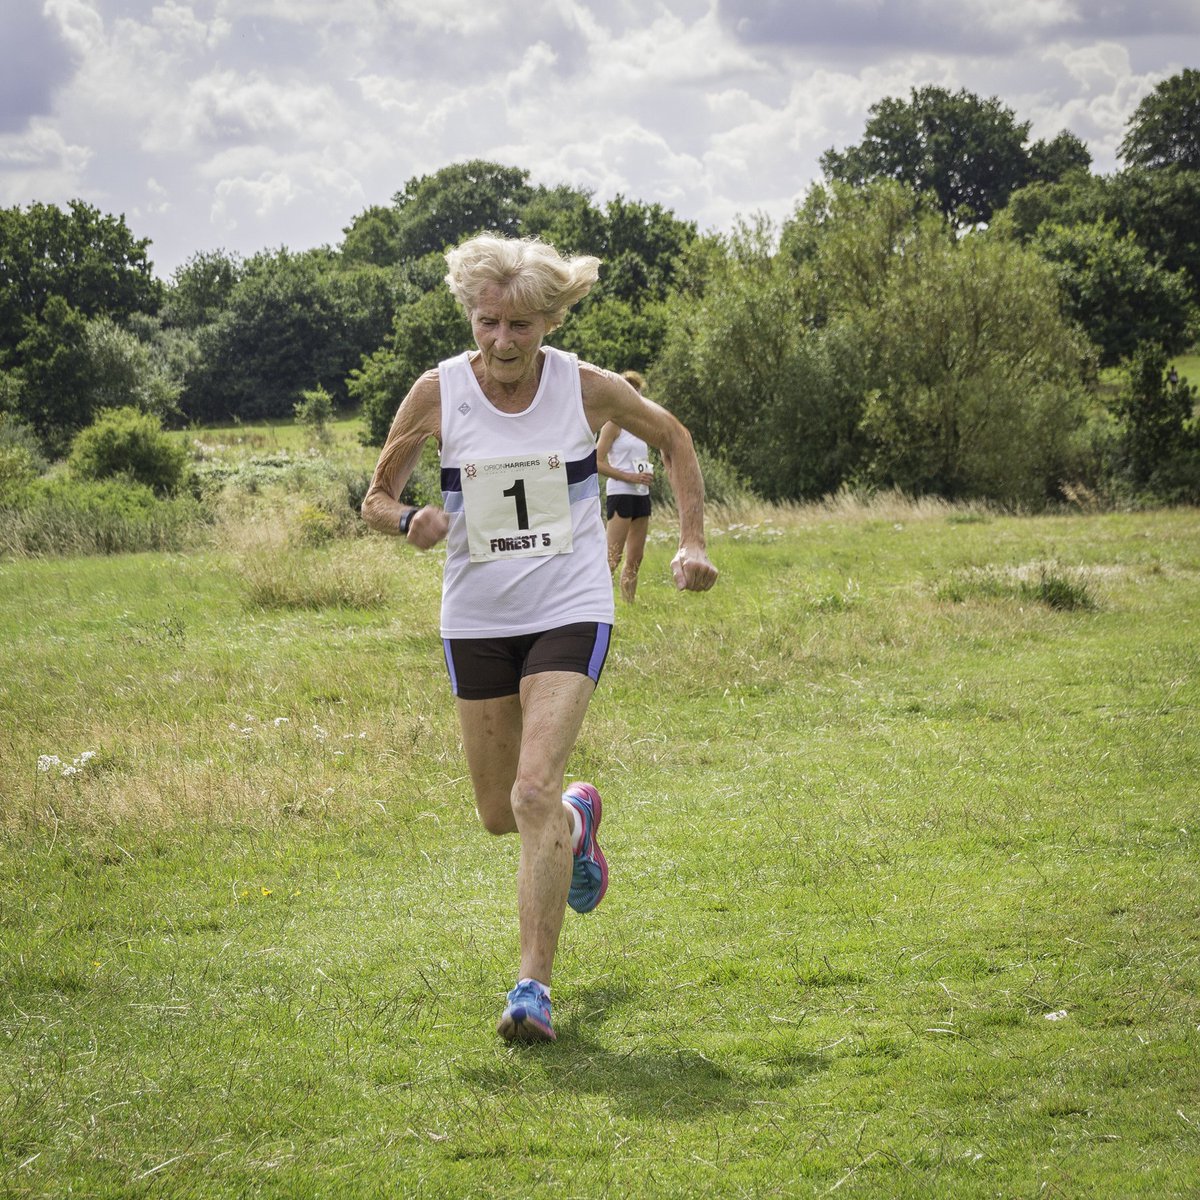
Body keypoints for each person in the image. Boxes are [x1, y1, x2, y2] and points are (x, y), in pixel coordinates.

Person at [361, 234, 718, 1043]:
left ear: (551, 320)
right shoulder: (438, 392)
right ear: (470, 316)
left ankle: (532, 989)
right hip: (477, 616)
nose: (503, 342)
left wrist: (691, 541)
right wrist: (406, 520)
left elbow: (674, 438)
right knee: (499, 813)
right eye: (489, 323)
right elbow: (376, 496)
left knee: (529, 793)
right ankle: (578, 819)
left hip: (570, 604)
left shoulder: (586, 389)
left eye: (521, 325)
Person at [597, 370, 657, 603]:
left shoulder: (642, 425)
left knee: (636, 558)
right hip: (620, 494)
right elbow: (597, 462)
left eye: (639, 393)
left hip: (642, 494)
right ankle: (599, 605)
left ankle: (629, 604)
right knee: (612, 557)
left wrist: (643, 476)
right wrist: (629, 477)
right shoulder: (612, 425)